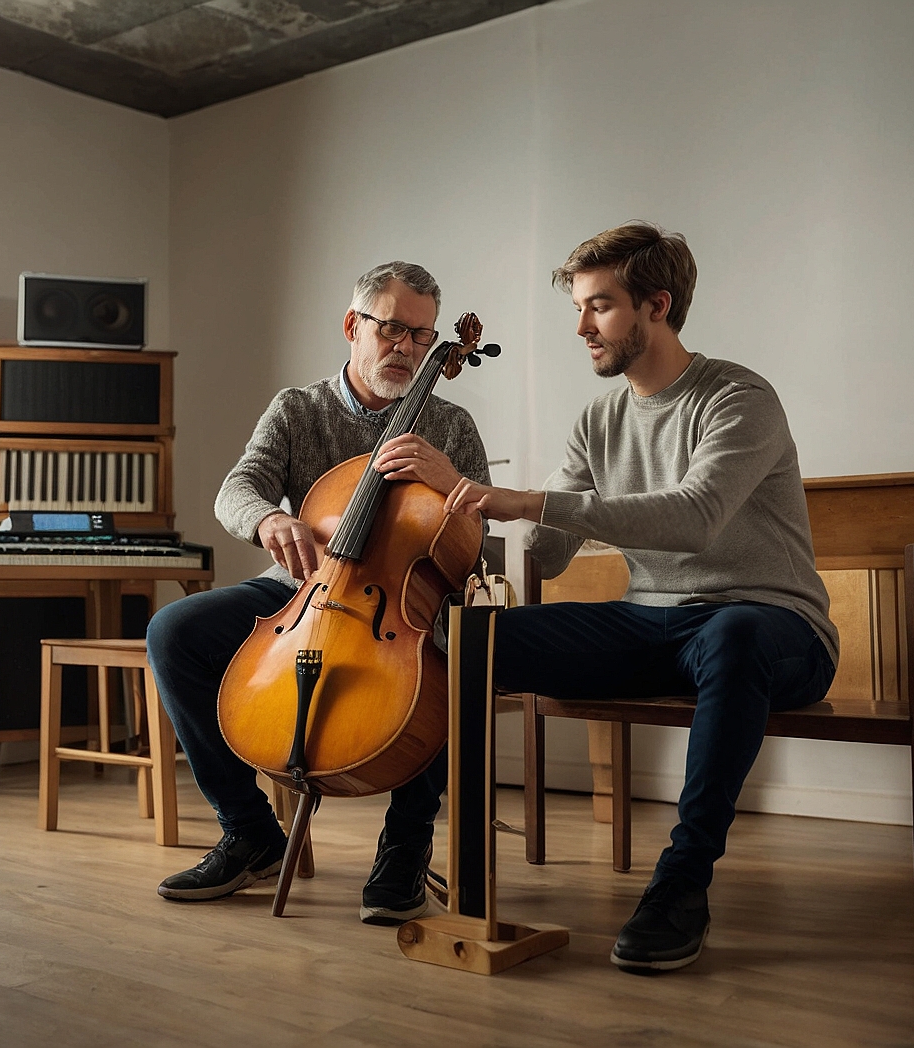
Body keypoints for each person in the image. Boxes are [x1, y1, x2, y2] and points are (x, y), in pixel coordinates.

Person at [444, 222, 838, 972]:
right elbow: (552, 549)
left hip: (774, 629)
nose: (583, 327)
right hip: (655, 625)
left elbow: (694, 518)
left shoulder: (738, 396)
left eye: (601, 305)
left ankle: (681, 883)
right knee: (469, 636)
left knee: (733, 636)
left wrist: (530, 502)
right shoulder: (598, 419)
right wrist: (457, 506)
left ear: (657, 305)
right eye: (579, 308)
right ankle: (434, 859)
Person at [146, 261, 490, 924]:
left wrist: (447, 481)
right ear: (352, 326)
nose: (408, 349)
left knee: (442, 665)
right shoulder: (297, 409)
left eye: (423, 337)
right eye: (391, 329)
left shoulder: (450, 426)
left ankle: (405, 847)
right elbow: (236, 490)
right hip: (300, 592)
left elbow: (476, 541)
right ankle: (249, 832)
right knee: (175, 631)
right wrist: (270, 518)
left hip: (404, 603)